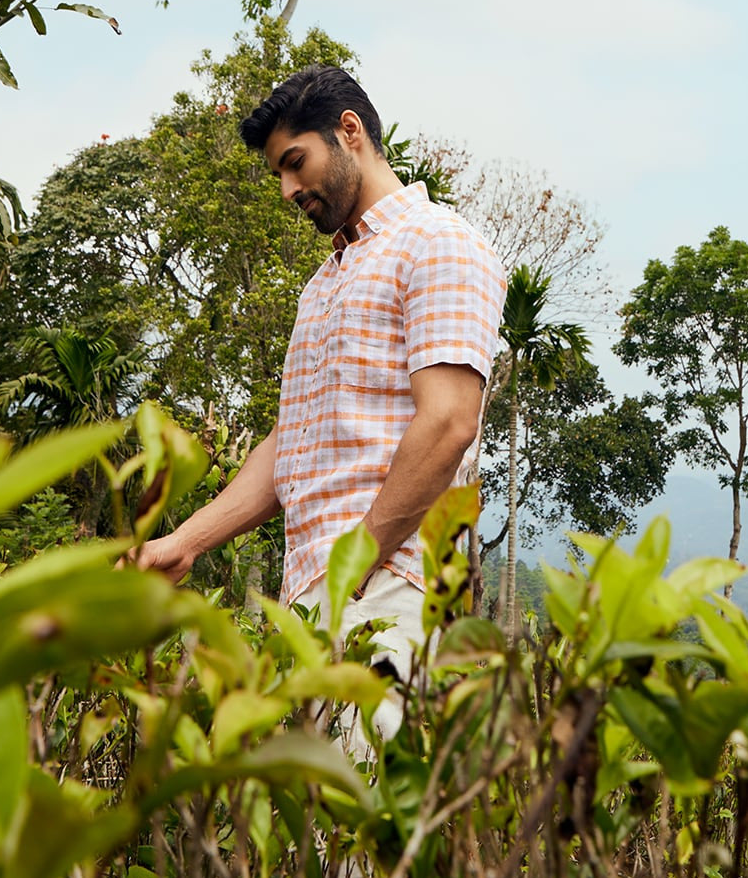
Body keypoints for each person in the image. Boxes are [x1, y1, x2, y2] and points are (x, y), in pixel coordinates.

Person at [134, 64, 507, 739]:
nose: (287, 189)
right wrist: (184, 542)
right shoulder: (323, 285)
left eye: (295, 162)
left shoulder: (438, 242)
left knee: (368, 801)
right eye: (279, 173)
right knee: (315, 806)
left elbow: (450, 422)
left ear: (349, 131)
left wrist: (357, 562)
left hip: (395, 588)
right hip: (316, 599)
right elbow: (294, 443)